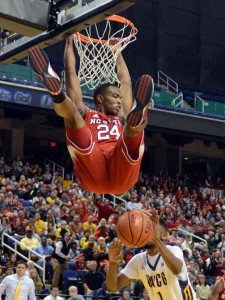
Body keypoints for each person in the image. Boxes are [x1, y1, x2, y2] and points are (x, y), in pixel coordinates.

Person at [28, 37, 154, 195]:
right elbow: (70, 72)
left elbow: (126, 82)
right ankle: (56, 93)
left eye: (120, 98)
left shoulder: (121, 116)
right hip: (94, 164)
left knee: (131, 131)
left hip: (120, 165)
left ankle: (139, 118)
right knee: (73, 114)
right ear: (101, 99)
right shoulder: (87, 112)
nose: (119, 101)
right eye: (115, 96)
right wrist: (68, 45)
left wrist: (118, 54)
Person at [106, 209, 197, 300]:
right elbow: (113, 287)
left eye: (152, 230)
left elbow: (176, 269)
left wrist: (156, 240)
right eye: (147, 229)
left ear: (164, 236)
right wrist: (113, 263)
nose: (149, 233)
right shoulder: (138, 260)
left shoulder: (174, 250)